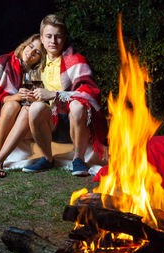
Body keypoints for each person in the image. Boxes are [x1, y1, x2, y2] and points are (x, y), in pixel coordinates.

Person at [22, 14, 107, 176]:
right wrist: (35, 96)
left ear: (64, 38)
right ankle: (47, 158)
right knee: (35, 108)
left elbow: (90, 94)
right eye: (48, 36)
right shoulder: (40, 63)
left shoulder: (75, 60)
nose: (53, 41)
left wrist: (54, 94)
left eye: (58, 36)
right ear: (41, 38)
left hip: (78, 121)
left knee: (77, 105)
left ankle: (78, 159)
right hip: (54, 123)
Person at [0, 34, 45, 178]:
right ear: (24, 45)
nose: (31, 53)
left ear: (39, 60)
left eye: (37, 53)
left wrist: (31, 97)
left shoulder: (36, 73)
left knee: (25, 108)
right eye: (30, 47)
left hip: (25, 119)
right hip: (3, 115)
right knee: (12, 105)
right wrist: (17, 96)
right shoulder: (3, 62)